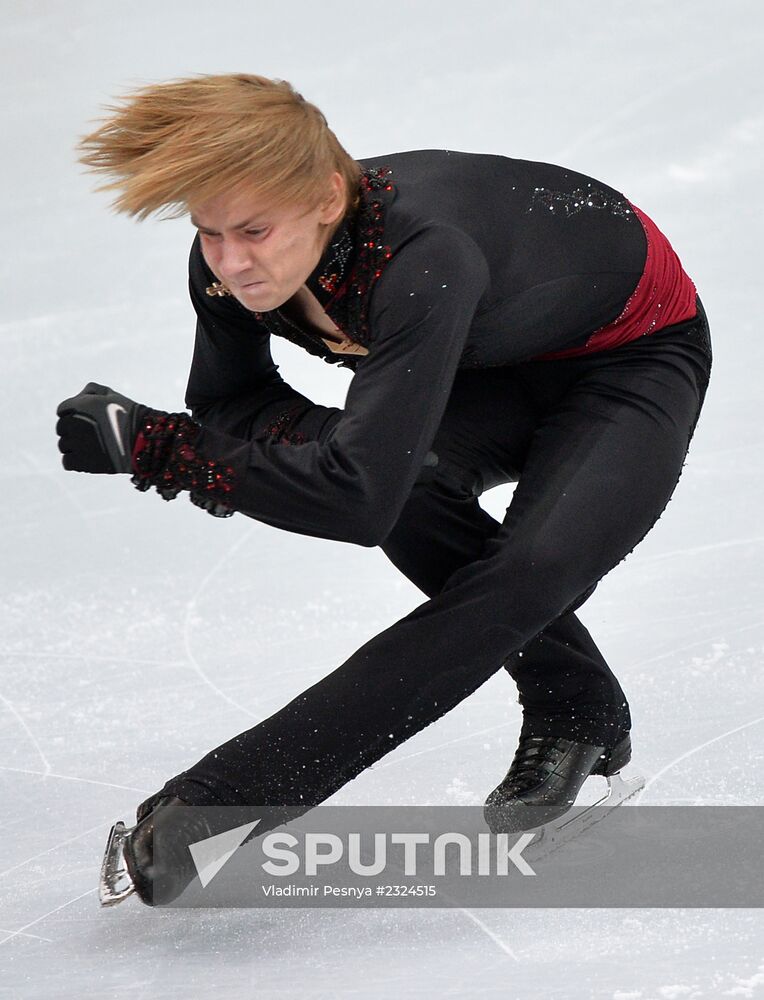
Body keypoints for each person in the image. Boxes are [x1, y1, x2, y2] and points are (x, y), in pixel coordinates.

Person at [56, 73, 712, 905]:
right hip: (491, 361)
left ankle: (223, 803)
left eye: (254, 231)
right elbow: (233, 402)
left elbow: (354, 502)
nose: (231, 260)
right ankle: (576, 705)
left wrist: (164, 452)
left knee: (530, 569)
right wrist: (333, 449)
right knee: (404, 482)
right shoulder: (227, 263)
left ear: (329, 196)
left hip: (631, 360)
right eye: (210, 233)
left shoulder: (421, 255)